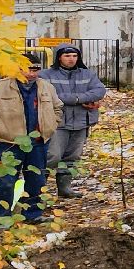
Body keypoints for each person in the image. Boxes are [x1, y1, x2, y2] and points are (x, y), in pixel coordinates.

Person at [0, 53, 63, 224]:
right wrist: (4, 132)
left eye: (36, 69)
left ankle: (33, 215)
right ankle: (0, 220)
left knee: (37, 181)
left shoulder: (46, 87)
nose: (32, 73)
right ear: (17, 68)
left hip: (38, 143)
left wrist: (50, 126)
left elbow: (58, 108)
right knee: (4, 182)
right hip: (7, 144)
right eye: (28, 68)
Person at [40, 43, 107, 199]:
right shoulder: (46, 75)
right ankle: (37, 189)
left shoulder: (87, 74)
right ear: (59, 57)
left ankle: (65, 188)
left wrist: (79, 98)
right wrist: (76, 99)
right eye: (67, 56)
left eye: (74, 56)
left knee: (72, 157)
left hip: (81, 121)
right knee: (53, 157)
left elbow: (99, 90)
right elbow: (48, 95)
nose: (71, 59)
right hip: (57, 123)